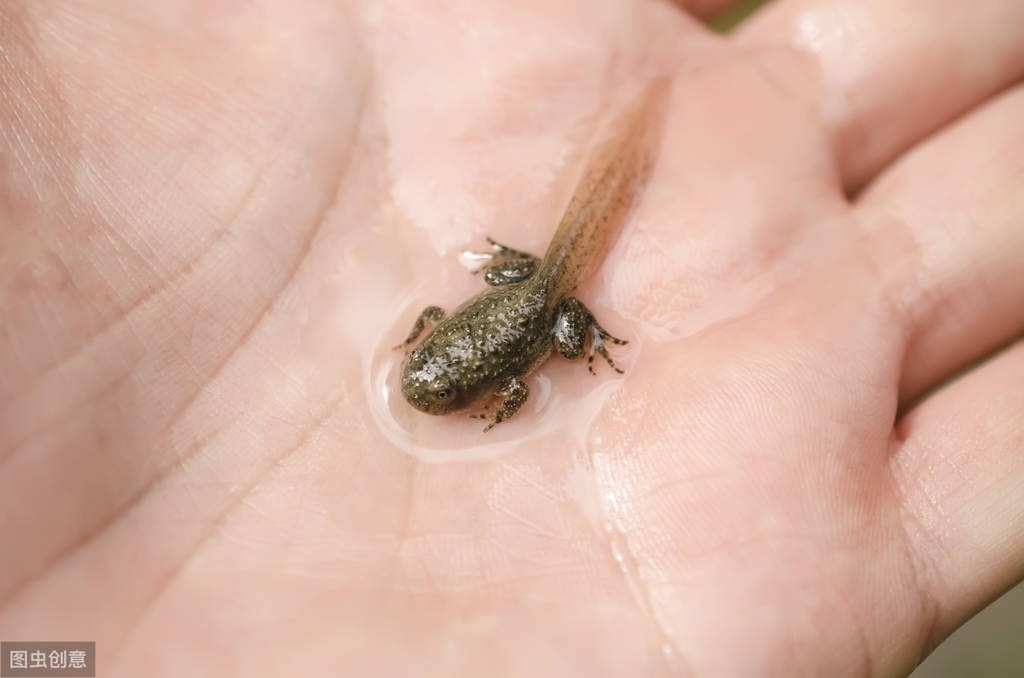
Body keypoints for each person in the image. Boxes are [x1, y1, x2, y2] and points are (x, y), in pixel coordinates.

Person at [1, 0, 1021, 675]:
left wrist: (568, 350)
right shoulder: (445, 345)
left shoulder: (484, 346)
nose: (426, 380)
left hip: (541, 291)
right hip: (527, 282)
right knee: (551, 291)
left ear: (432, 365)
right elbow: (444, 334)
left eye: (430, 381)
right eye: (431, 382)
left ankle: (578, 314)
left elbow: (479, 356)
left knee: (568, 311)